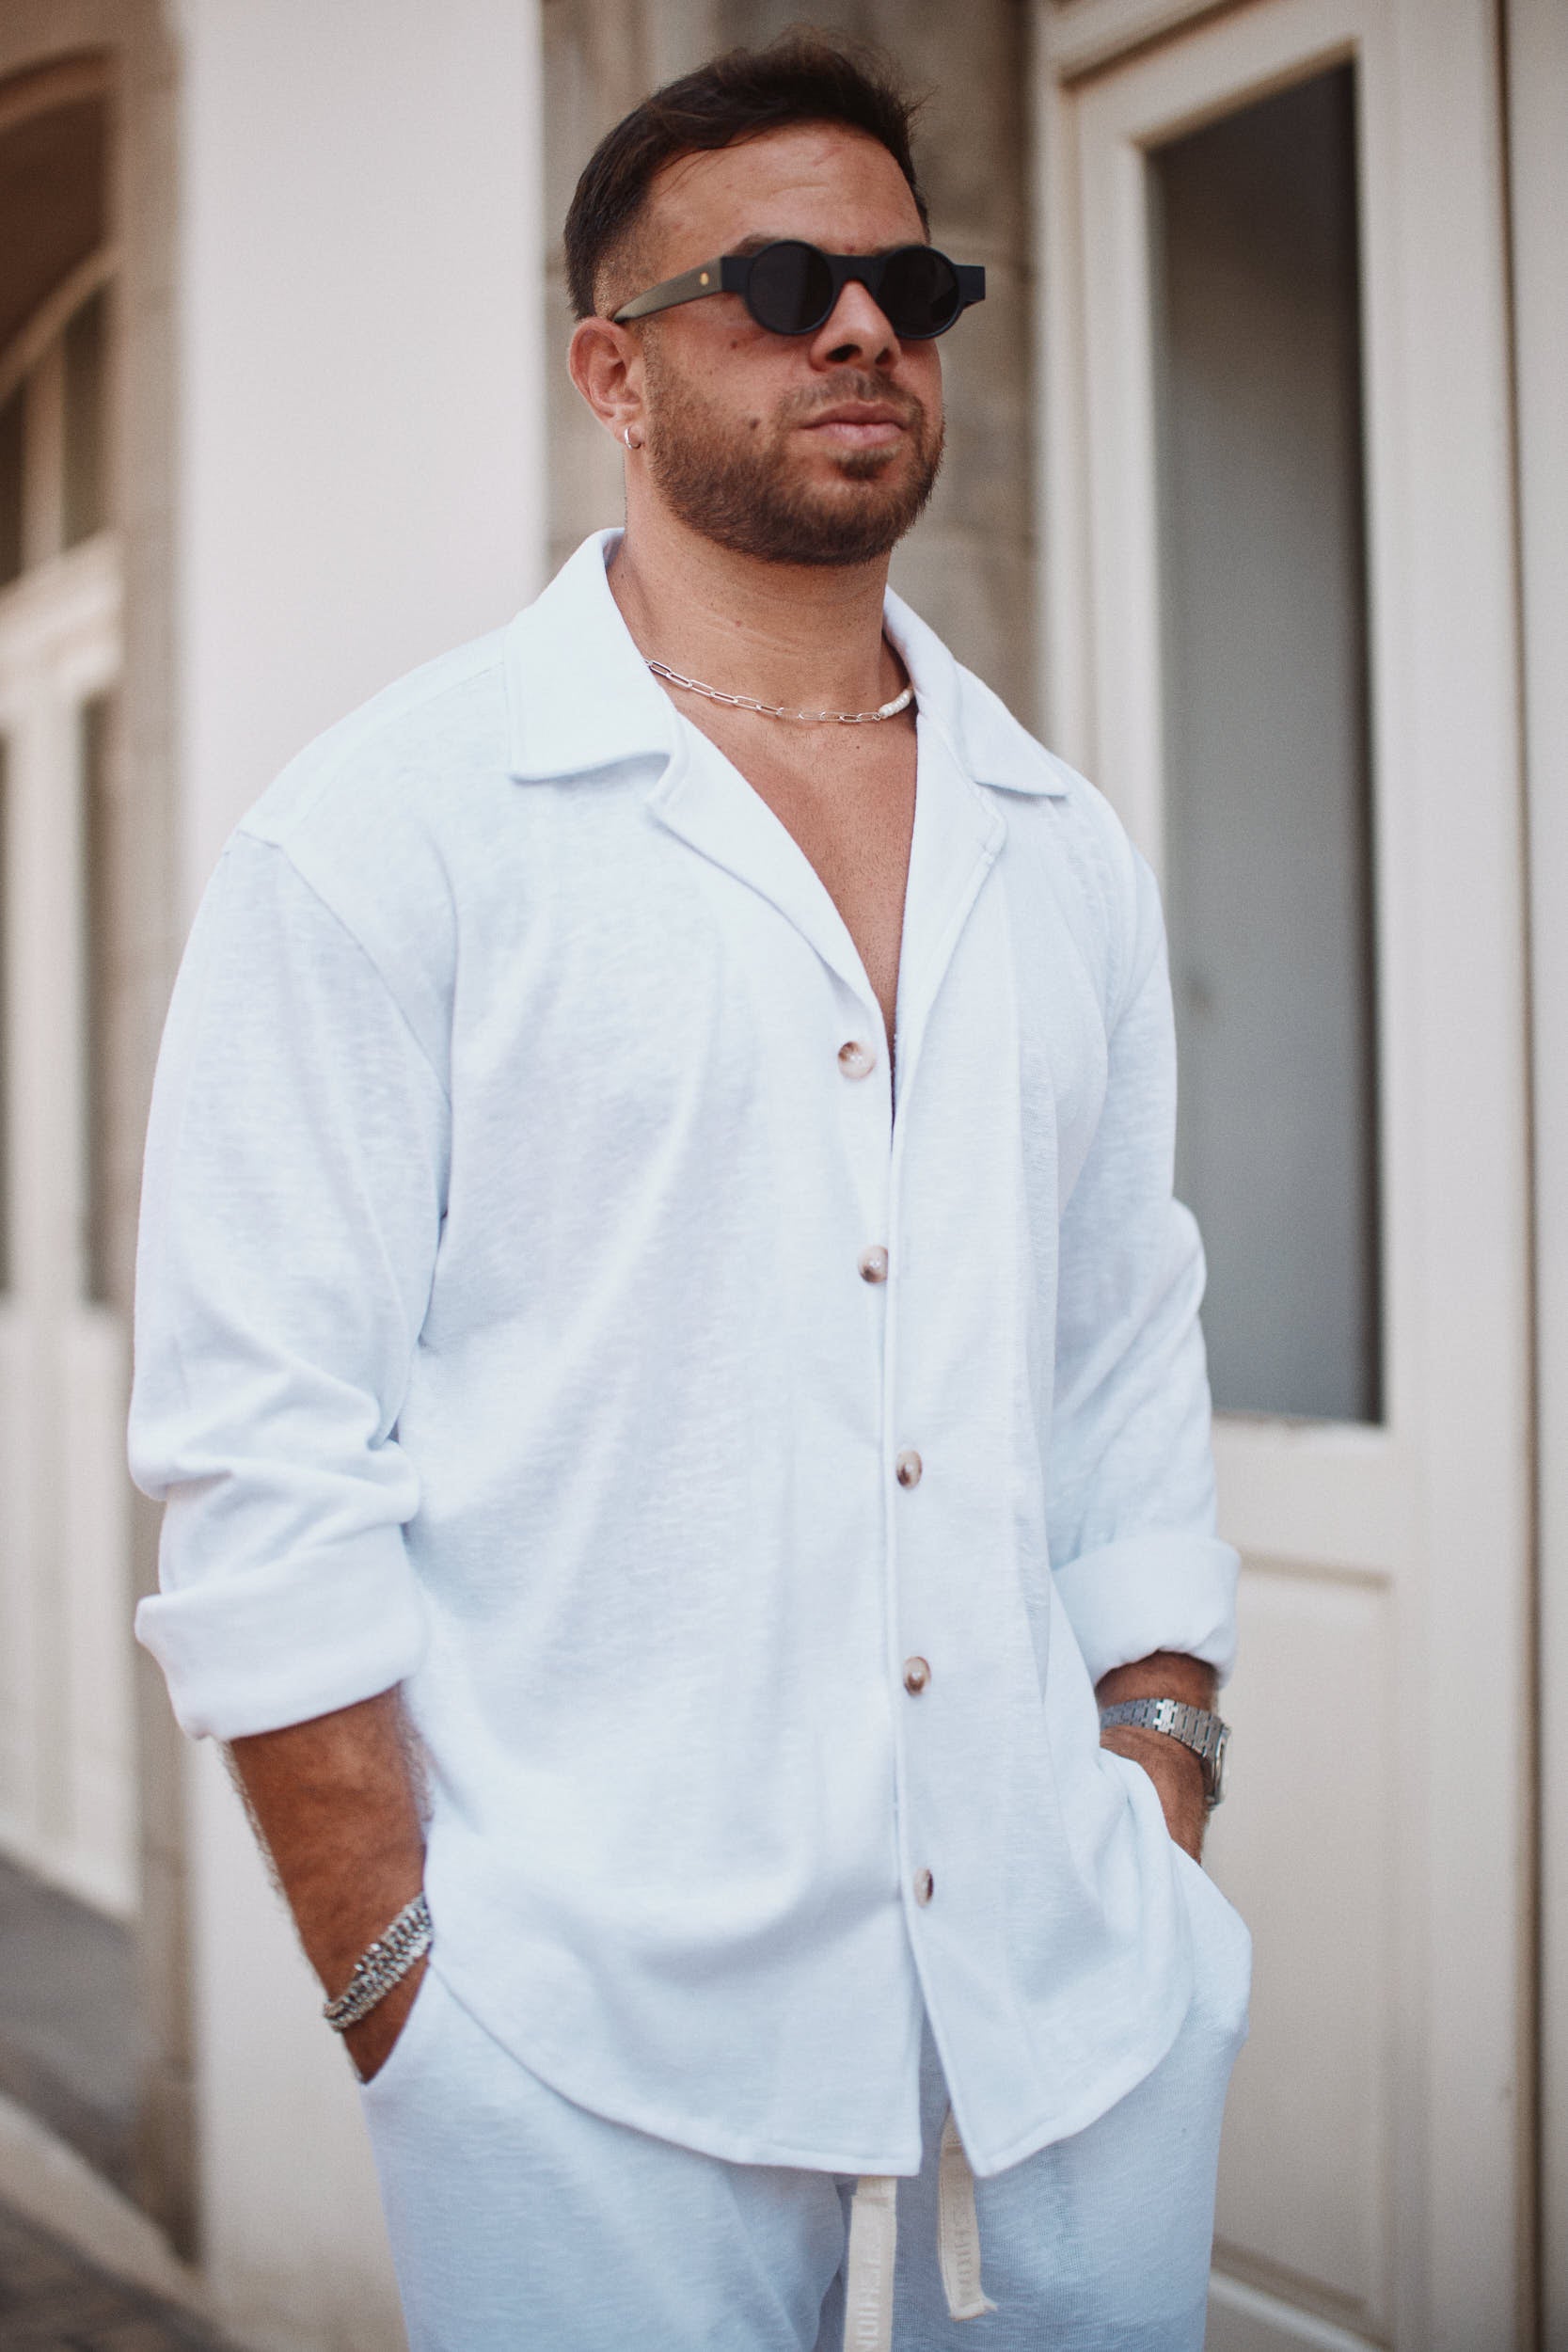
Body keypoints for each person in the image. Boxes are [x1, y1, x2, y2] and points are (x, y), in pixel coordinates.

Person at [129, 32, 1250, 2352]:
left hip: (1065, 2028)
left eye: (911, 287)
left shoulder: (1061, 846)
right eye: (776, 283)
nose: (861, 330)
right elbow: (262, 1458)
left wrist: (1160, 1784)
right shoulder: (390, 834)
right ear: (610, 372)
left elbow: (1124, 1357)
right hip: (581, 2072)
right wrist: (403, 1992)